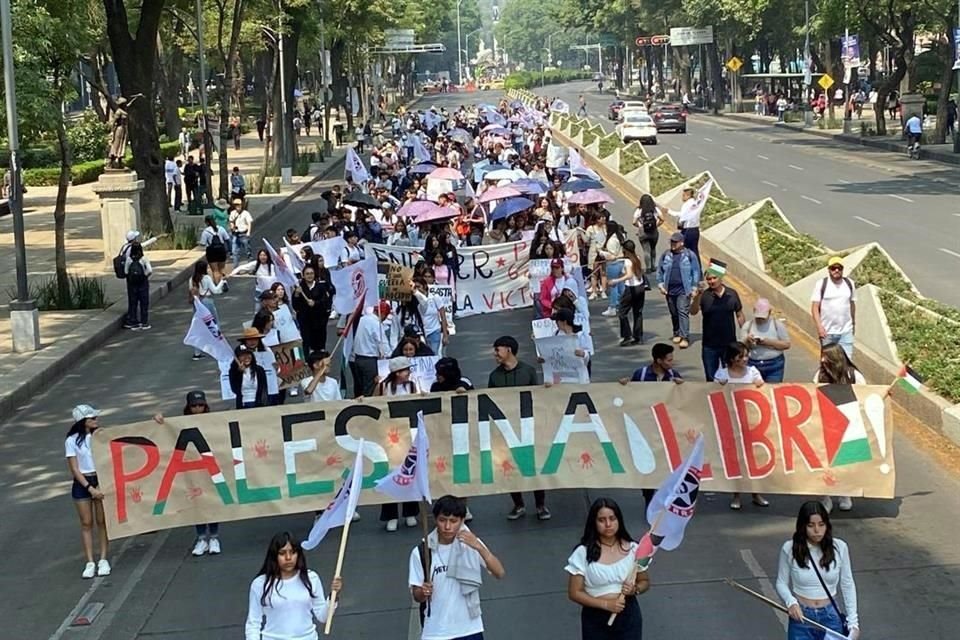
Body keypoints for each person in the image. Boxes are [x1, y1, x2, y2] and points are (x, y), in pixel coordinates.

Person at [409, 495, 506, 640]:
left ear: (462, 521)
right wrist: (423, 592)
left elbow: (499, 572)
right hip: (435, 631)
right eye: (442, 520)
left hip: (470, 628)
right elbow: (417, 595)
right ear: (435, 519)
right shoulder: (422, 552)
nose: (447, 527)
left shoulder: (471, 544)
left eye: (453, 521)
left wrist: (479, 547)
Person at [565, 497, 649, 640]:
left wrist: (635, 589)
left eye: (612, 518)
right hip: (595, 617)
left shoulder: (634, 549)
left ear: (619, 520)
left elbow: (645, 581)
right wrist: (606, 604)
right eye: (602, 520)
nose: (608, 524)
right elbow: (575, 592)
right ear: (594, 523)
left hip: (628, 615)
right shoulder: (582, 552)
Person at [775, 501, 860, 640]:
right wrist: (791, 602)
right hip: (802, 618)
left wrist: (853, 622)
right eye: (811, 525)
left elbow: (847, 584)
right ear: (803, 526)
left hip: (831, 617)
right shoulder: (789, 548)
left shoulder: (840, 547)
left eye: (821, 524)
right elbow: (781, 582)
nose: (817, 530)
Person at [154, 391, 223, 556]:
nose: (198, 409)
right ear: (188, 407)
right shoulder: (180, 424)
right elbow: (164, 432)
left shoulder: (214, 421)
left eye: (201, 405)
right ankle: (201, 539)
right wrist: (158, 420)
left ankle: (214, 537)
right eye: (194, 406)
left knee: (212, 502)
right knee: (196, 502)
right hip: (191, 470)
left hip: (209, 468)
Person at [487, 335, 548, 521]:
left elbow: (537, 398)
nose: (495, 354)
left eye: (497, 349)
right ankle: (518, 504)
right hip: (506, 429)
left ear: (509, 350)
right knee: (509, 466)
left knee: (533, 465)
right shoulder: (494, 376)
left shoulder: (528, 371)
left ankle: (540, 505)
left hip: (527, 426)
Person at [244, 531, 342, 640]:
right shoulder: (260, 584)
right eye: (282, 553)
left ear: (298, 554)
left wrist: (333, 595)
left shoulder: (311, 578)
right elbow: (253, 623)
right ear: (274, 556)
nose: (288, 558)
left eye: (293, 552)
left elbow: (323, 617)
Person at [713, 342, 769, 510]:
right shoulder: (722, 374)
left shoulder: (752, 372)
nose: (745, 359)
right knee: (736, 461)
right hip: (730, 424)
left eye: (746, 355)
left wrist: (760, 384)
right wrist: (718, 386)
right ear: (732, 359)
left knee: (753, 460)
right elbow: (711, 394)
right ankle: (736, 494)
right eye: (741, 356)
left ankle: (756, 493)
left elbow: (762, 388)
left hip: (752, 424)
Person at [813, 343, 865, 513]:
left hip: (849, 424)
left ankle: (845, 493)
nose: (822, 360)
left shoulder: (854, 375)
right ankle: (826, 497)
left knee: (845, 461)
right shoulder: (819, 375)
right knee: (826, 462)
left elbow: (866, 395)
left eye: (826, 356)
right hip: (826, 424)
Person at [375, 356, 421, 531]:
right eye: (405, 370)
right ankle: (391, 515)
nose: (408, 373)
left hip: (408, 435)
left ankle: (410, 512)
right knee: (391, 474)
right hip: (389, 436)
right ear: (396, 372)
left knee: (408, 472)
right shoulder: (383, 387)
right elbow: (375, 405)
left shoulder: (411, 386)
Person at [66, 404, 111, 579]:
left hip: (100, 479)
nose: (96, 420)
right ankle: (90, 561)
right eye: (92, 418)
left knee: (102, 521)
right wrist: (89, 488)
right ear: (83, 421)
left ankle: (103, 559)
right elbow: (75, 469)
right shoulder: (71, 440)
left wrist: (101, 485)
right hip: (83, 482)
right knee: (86, 523)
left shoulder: (100, 436)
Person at [691, 261, 744, 381]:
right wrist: (697, 297)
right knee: (711, 378)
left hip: (729, 344)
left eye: (714, 278)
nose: (711, 281)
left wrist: (745, 332)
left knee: (732, 376)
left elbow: (739, 314)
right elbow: (693, 311)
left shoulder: (732, 294)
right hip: (710, 346)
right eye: (708, 279)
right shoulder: (704, 296)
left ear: (721, 278)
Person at [656, 232, 700, 349]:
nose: (673, 244)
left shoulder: (689, 255)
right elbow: (660, 270)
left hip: (684, 289)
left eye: (675, 242)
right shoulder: (666, 255)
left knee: (682, 312)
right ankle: (677, 332)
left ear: (682, 243)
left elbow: (696, 271)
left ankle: (685, 336)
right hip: (669, 289)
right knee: (674, 312)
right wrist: (660, 285)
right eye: (672, 242)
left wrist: (694, 287)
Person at [810, 257, 856, 359]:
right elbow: (814, 308)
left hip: (846, 331)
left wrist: (853, 323)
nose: (836, 270)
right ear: (829, 270)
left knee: (847, 362)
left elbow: (852, 304)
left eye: (839, 268)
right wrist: (819, 327)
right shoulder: (822, 284)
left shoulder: (849, 284)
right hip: (827, 333)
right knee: (829, 364)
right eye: (833, 268)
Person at [607, 240, 647, 346]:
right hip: (640, 287)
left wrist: (615, 280)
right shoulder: (636, 258)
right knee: (637, 312)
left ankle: (627, 336)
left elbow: (629, 275)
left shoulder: (628, 262)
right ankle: (638, 336)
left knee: (622, 312)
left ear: (625, 250)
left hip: (632, 289)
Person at [741, 298, 791, 383]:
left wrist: (767, 342)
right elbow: (741, 346)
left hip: (774, 365)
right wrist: (747, 340)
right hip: (753, 364)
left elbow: (786, 344)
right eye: (758, 317)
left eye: (763, 317)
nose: (760, 319)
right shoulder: (748, 325)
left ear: (769, 313)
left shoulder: (777, 325)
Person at [351, 300, 393, 398]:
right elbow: (382, 342)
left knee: (359, 387)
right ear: (383, 314)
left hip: (357, 358)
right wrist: (389, 356)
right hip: (369, 360)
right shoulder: (376, 324)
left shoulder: (363, 319)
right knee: (370, 388)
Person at [188, 260, 228, 360]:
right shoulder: (206, 278)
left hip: (197, 303)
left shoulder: (192, 279)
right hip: (207, 301)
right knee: (214, 323)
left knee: (200, 325)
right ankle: (219, 345)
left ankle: (196, 353)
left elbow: (191, 292)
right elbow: (215, 290)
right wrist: (222, 282)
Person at [293, 264, 335, 357]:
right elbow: (295, 306)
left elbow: (325, 301)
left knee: (319, 343)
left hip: (319, 320)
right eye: (307, 273)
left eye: (311, 273)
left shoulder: (320, 287)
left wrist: (315, 303)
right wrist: (296, 294)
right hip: (305, 321)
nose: (309, 275)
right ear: (303, 275)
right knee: (307, 342)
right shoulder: (300, 288)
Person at [667, 187, 702, 266]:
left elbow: (682, 215)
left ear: (688, 195)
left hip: (687, 230)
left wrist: (669, 211)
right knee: (694, 250)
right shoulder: (695, 203)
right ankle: (697, 268)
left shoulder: (687, 204)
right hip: (695, 230)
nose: (682, 197)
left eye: (683, 195)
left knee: (680, 249)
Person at [123, 241, 153, 330]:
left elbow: (126, 272)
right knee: (144, 303)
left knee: (133, 303)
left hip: (132, 284)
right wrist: (145, 275)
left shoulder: (129, 259)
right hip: (143, 283)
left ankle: (133, 321)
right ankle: (144, 322)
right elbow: (150, 270)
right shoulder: (144, 259)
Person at [229, 344, 270, 409]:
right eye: (242, 355)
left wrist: (264, 404)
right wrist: (238, 372)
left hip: (259, 404)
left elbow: (264, 389)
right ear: (237, 358)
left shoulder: (259, 369)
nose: (246, 357)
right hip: (243, 404)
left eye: (248, 354)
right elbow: (235, 389)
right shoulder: (233, 371)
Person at [631, 194, 663, 272]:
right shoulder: (655, 209)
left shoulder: (639, 210)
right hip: (654, 231)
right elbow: (662, 219)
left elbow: (634, 222)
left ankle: (648, 267)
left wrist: (639, 226)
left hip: (643, 232)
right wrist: (656, 225)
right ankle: (653, 266)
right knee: (653, 248)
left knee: (646, 250)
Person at [599, 222, 625, 318]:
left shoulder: (611, 240)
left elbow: (612, 256)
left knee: (613, 286)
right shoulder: (620, 237)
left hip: (613, 264)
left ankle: (612, 307)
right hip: (621, 263)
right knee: (621, 285)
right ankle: (622, 304)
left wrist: (602, 252)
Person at [229, 198, 253, 268]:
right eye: (236, 205)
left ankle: (251, 266)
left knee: (247, 251)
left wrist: (248, 232)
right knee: (235, 251)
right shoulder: (233, 213)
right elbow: (231, 221)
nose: (237, 206)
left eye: (238, 205)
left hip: (244, 234)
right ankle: (235, 267)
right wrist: (232, 227)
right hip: (236, 234)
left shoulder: (246, 213)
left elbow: (249, 223)